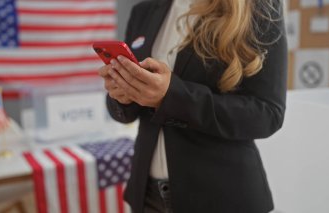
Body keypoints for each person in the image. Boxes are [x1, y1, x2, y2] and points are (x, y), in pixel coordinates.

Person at [98, 0, 287, 212]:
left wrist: (171, 96)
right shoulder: (144, 10)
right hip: (148, 197)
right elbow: (124, 111)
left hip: (221, 197)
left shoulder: (258, 8)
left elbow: (268, 113)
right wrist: (122, 95)